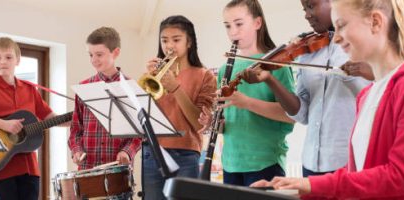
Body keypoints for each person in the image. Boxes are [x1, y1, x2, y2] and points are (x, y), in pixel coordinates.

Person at [252, 0, 404, 199]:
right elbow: (358, 173)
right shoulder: (367, 95)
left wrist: (309, 184)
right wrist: (293, 190)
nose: (334, 39)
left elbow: (399, 177)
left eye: (341, 26)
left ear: (375, 22)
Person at [244, 0, 372, 177]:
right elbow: (302, 113)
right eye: (304, 9)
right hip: (311, 162)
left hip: (348, 161)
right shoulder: (307, 51)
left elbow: (373, 100)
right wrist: (269, 80)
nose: (306, 14)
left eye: (311, 6)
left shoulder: (361, 43)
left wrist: (349, 70)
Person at [199, 0, 295, 187]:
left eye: (239, 24)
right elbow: (229, 122)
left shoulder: (277, 64)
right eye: (228, 26)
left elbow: (291, 114)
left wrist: (246, 102)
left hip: (265, 162)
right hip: (231, 163)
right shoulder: (226, 68)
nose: (233, 32)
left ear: (257, 23)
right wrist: (213, 123)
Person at [141, 15, 217, 200]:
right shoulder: (154, 74)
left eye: (176, 40)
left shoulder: (205, 75)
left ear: (189, 42)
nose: (169, 46)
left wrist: (175, 87)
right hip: (152, 152)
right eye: (164, 40)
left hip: (186, 154)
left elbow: (199, 123)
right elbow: (142, 113)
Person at [0, 37, 60, 200]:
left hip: (30, 168)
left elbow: (50, 117)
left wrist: (77, 118)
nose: (3, 62)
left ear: (18, 60)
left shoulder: (29, 89)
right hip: (1, 168)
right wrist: (3, 124)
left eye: (8, 57)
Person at [68, 27, 141, 170]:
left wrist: (127, 151)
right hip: (87, 170)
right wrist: (76, 150)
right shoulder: (83, 87)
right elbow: (76, 129)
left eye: (99, 54)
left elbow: (139, 133)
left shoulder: (132, 88)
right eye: (90, 55)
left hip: (119, 172)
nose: (94, 60)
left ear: (116, 52)